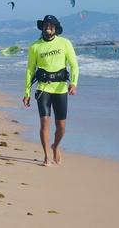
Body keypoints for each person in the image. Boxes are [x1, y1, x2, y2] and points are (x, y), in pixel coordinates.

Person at [23, 15, 79, 167]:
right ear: (42, 27)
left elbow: (74, 65)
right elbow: (30, 70)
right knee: (44, 123)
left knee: (61, 127)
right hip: (43, 88)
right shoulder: (35, 46)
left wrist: (73, 83)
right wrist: (26, 92)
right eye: (46, 24)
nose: (48, 26)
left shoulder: (65, 43)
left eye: (51, 24)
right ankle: (47, 155)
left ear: (56, 28)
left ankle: (55, 146)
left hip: (60, 89)